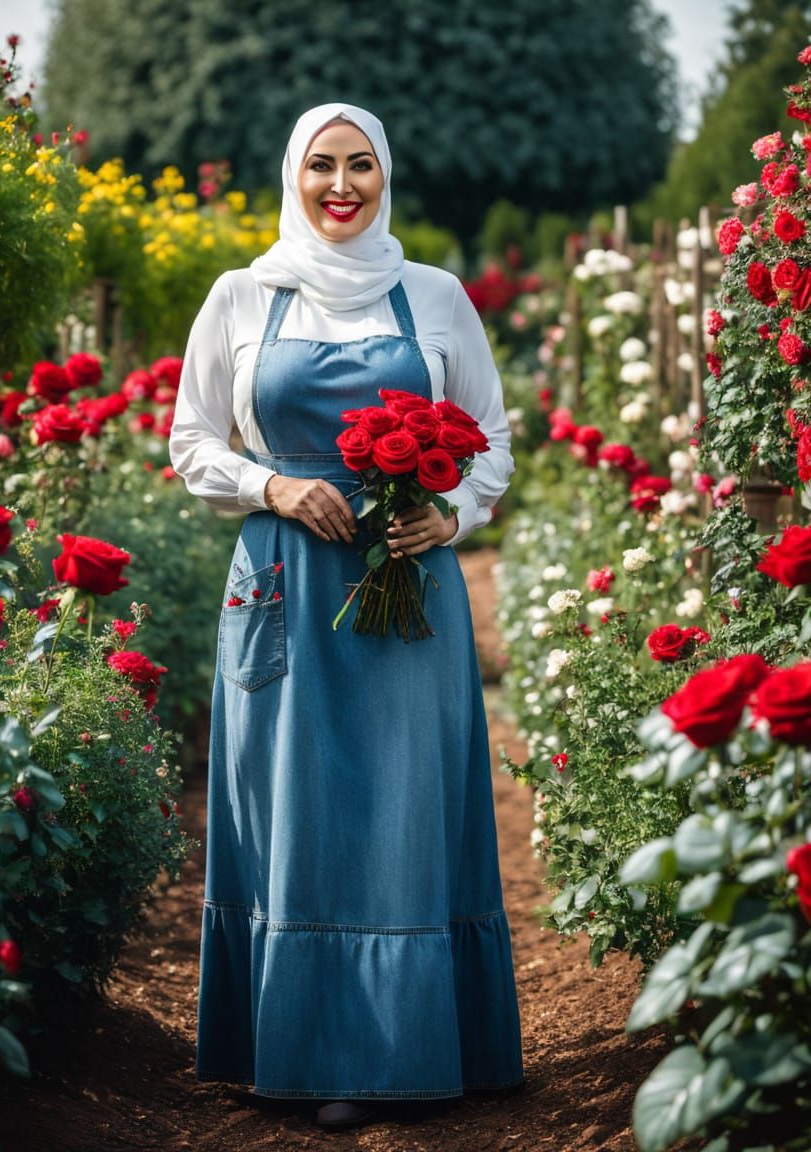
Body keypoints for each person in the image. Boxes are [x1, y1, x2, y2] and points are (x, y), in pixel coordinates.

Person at [168, 102, 524, 1131]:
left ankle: (414, 1048)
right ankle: (304, 1047)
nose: (339, 184)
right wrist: (271, 489)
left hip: (406, 584)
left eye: (358, 165)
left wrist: (448, 509)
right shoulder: (242, 295)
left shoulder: (435, 296)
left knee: (405, 806)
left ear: (384, 175)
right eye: (320, 165)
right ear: (293, 174)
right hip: (283, 575)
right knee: (296, 806)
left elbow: (492, 437)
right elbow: (192, 440)